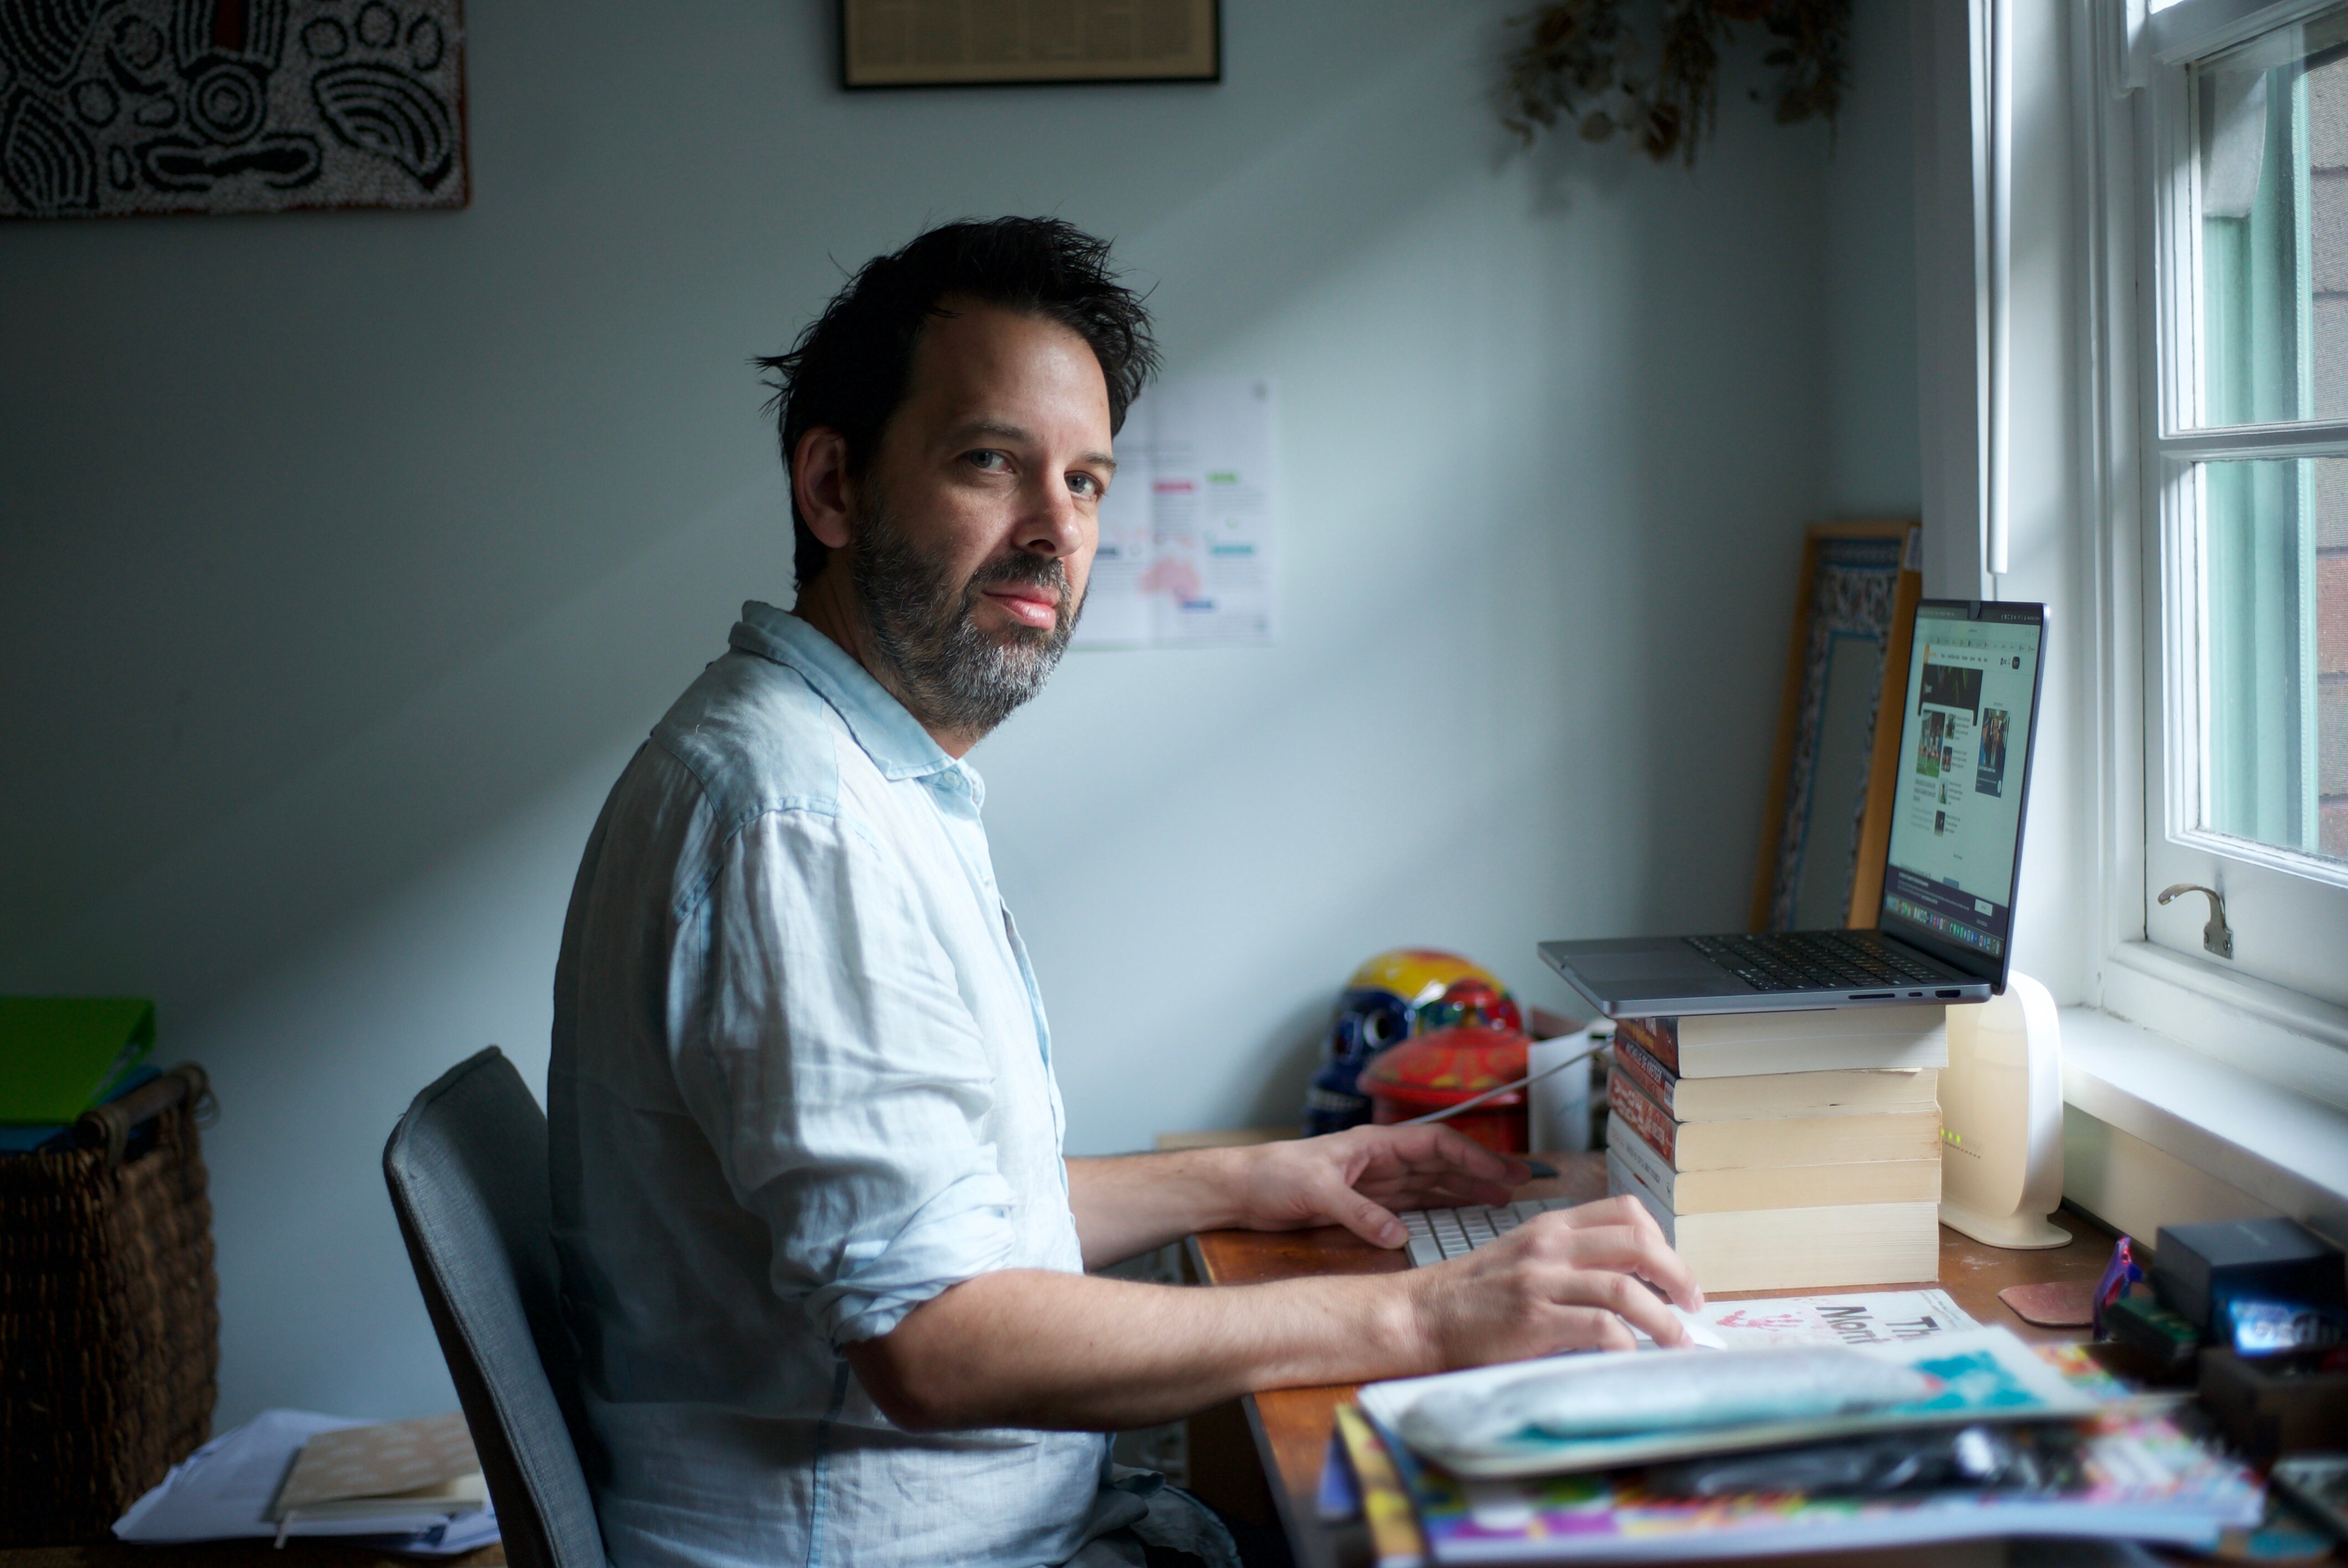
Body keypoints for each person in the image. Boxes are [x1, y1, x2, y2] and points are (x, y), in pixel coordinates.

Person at [547, 216, 1701, 1568]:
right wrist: (1423, 1317)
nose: (1054, 532)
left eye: (1087, 483)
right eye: (992, 462)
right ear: (834, 487)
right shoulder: (798, 823)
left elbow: (944, 1213)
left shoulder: (842, 770)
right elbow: (937, 1336)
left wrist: (1254, 1178)